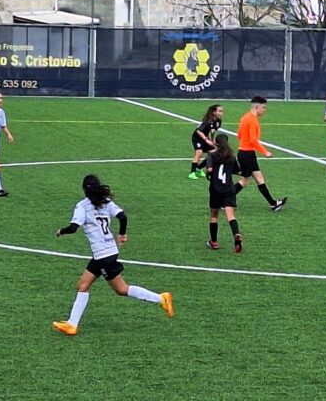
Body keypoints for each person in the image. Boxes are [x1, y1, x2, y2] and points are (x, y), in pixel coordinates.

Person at [52, 175, 174, 336]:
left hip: (103, 255)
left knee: (121, 289)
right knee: (83, 285)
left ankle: (161, 298)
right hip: (107, 252)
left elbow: (73, 228)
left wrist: (61, 231)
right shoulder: (106, 202)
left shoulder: (82, 206)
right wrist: (122, 233)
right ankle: (72, 324)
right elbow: (122, 216)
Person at [236, 96, 287, 212]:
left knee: (259, 178)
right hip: (247, 154)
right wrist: (265, 152)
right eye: (263, 107)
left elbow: (239, 135)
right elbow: (253, 140)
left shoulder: (245, 117)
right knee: (244, 181)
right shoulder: (252, 120)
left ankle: (273, 203)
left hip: (246, 153)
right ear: (256, 107)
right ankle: (223, 201)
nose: (264, 110)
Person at [206, 134, 244, 252]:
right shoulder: (231, 156)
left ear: (216, 143)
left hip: (216, 188)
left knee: (214, 215)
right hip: (229, 188)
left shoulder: (212, 155)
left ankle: (214, 242)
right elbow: (237, 171)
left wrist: (209, 173)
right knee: (230, 215)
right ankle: (236, 234)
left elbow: (209, 169)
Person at [189, 104, 223, 180]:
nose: (222, 113)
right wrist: (206, 140)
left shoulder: (218, 121)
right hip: (198, 138)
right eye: (220, 111)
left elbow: (212, 132)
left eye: (222, 111)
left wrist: (212, 141)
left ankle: (199, 168)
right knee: (199, 153)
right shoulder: (208, 121)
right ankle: (192, 173)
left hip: (206, 138)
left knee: (214, 152)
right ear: (214, 112)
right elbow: (199, 131)